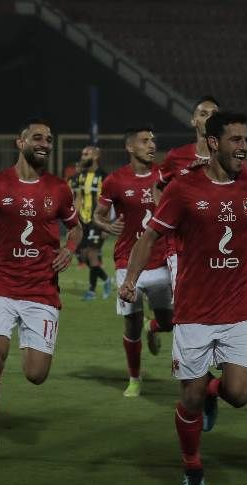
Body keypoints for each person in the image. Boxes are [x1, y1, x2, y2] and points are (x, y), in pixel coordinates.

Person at [120, 111, 247, 485]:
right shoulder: (184, 188)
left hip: (240, 309)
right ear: (213, 143)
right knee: (189, 401)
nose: (244, 147)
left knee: (240, 393)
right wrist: (130, 280)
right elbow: (150, 236)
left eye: (246, 140)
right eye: (236, 140)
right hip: (194, 313)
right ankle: (192, 465)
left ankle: (213, 392)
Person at [0, 118, 82, 462]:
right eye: (37, 137)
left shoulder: (59, 188)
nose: (45, 143)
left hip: (41, 288)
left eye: (49, 139)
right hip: (2, 284)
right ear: (20, 142)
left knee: (36, 374)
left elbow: (76, 227)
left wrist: (69, 248)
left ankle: (29, 344)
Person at [94, 127, 173, 397]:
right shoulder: (115, 181)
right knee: (131, 323)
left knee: (170, 322)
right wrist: (107, 225)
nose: (152, 145)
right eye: (145, 141)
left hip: (161, 260)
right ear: (130, 147)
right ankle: (135, 379)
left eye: (153, 140)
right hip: (127, 262)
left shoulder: (164, 177)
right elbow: (98, 215)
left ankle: (154, 326)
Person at [155, 96, 221, 292]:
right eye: (203, 114)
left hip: (218, 244)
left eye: (214, 114)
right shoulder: (176, 157)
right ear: (194, 121)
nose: (209, 118)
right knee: (184, 299)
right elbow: (157, 187)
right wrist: (166, 217)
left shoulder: (228, 159)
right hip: (181, 247)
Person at [69, 145, 111, 300]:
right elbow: (78, 199)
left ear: (95, 156)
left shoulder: (104, 177)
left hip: (97, 221)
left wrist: (106, 225)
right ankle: (106, 279)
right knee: (82, 254)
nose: (83, 157)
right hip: (83, 220)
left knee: (92, 254)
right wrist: (73, 221)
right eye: (82, 154)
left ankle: (91, 291)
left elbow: (108, 202)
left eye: (86, 154)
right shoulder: (81, 176)